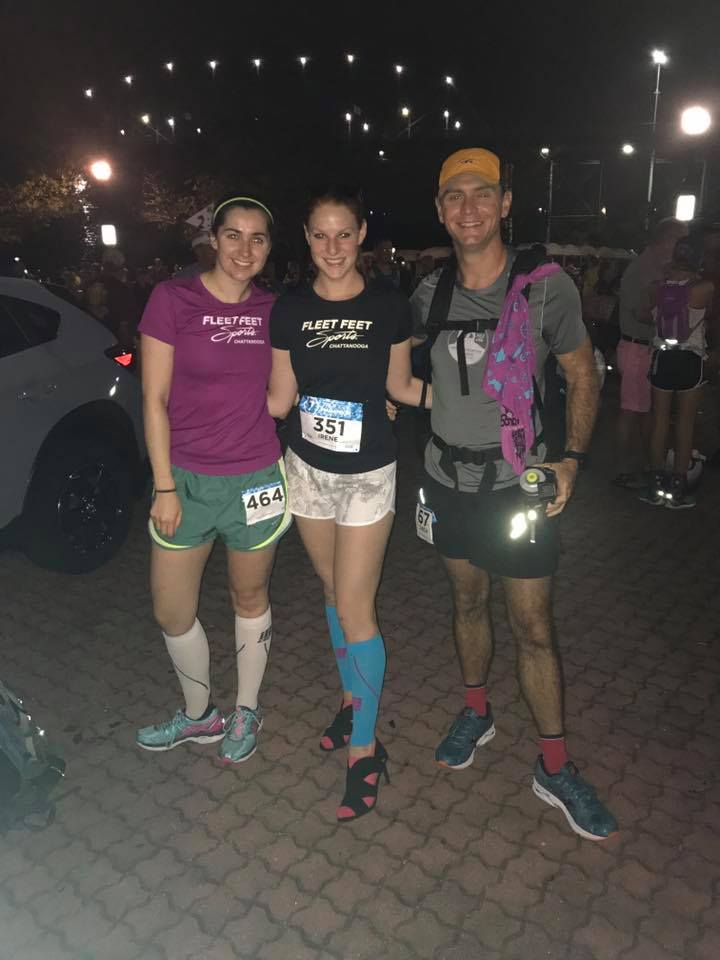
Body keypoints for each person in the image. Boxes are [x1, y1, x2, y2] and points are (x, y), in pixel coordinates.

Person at [410, 148, 617, 841]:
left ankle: (555, 765)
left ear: (504, 204)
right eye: (454, 196)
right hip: (447, 481)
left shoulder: (545, 290)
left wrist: (573, 461)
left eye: (482, 194)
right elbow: (398, 369)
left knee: (532, 625)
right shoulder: (428, 293)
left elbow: (583, 374)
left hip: (519, 485)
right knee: (467, 602)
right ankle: (477, 712)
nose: (468, 208)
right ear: (440, 210)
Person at [267, 185, 429, 822]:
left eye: (343, 233)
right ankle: (349, 700)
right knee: (333, 591)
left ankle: (365, 750)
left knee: (358, 608)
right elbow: (279, 400)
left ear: (362, 234)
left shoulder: (389, 305)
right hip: (306, 470)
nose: (332, 247)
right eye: (319, 235)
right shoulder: (290, 308)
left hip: (367, 474)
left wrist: (473, 402)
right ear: (306, 239)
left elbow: (401, 386)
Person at [135, 195, 292, 763]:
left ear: (269, 248)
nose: (244, 249)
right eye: (233, 235)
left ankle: (246, 710)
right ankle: (200, 716)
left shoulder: (275, 310)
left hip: (255, 478)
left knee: (249, 597)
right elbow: (153, 399)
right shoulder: (172, 299)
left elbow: (281, 401)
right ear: (214, 239)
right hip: (184, 481)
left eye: (258, 238)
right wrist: (164, 486)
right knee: (171, 610)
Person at [639, 236, 715, 508]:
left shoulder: (656, 287)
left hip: (663, 356)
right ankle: (677, 489)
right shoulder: (705, 288)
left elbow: (643, 315)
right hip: (690, 359)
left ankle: (655, 484)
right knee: (685, 424)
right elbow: (710, 318)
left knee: (660, 421)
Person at [613, 219, 688, 488]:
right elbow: (639, 312)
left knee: (644, 412)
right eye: (681, 240)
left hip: (643, 347)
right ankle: (624, 469)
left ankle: (644, 466)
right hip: (637, 347)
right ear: (668, 239)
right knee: (632, 411)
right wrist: (673, 319)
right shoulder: (644, 269)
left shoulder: (654, 266)